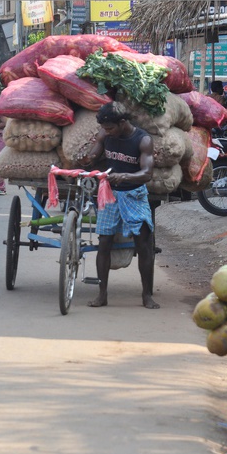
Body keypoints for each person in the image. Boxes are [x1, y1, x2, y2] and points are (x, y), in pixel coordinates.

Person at [75, 101, 159, 309]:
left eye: (110, 128)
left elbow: (147, 173)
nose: (106, 132)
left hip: (134, 195)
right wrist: (87, 160)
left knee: (143, 245)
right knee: (104, 243)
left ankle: (147, 295)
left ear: (122, 123)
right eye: (104, 128)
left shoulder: (143, 140)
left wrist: (126, 176)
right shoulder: (105, 135)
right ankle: (102, 295)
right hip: (109, 194)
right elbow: (94, 155)